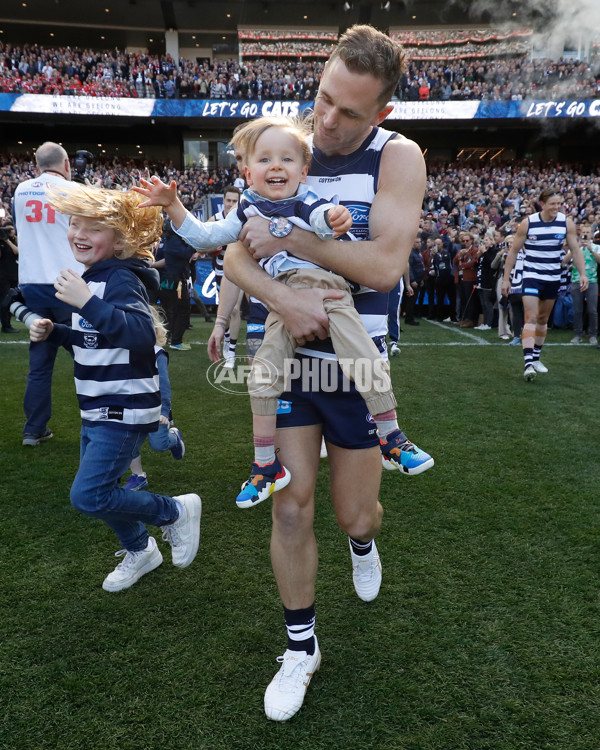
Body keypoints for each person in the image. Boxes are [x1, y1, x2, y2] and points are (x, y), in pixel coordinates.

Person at [219, 25, 428, 721]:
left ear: (383, 115)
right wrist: (282, 296)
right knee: (289, 504)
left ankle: (363, 541)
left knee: (353, 510)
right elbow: (234, 252)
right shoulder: (280, 143)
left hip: (352, 363)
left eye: (349, 112)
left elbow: (382, 267)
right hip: (280, 352)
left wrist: (293, 239)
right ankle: (301, 646)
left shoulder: (398, 157)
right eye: (323, 98)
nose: (327, 120)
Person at [136, 116, 415, 510]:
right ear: (248, 173)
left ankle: (391, 437)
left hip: (330, 295)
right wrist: (174, 205)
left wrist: (335, 220)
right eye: (265, 159)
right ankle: (266, 465)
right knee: (262, 377)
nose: (276, 166)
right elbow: (204, 236)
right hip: (283, 307)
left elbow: (327, 225)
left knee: (364, 357)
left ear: (304, 171)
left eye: (286, 158)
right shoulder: (247, 209)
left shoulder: (308, 200)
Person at [29, 183, 201, 592]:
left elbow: (142, 335)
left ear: (121, 238)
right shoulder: (96, 279)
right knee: (101, 491)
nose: (79, 233)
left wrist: (86, 302)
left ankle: (174, 511)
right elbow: (99, 339)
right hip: (96, 407)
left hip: (123, 410)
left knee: (88, 496)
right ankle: (140, 549)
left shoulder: (120, 278)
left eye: (94, 227)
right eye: (74, 224)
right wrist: (58, 332)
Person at [12, 142, 84, 446]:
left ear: (36, 163)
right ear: (66, 163)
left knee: (39, 364)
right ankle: (101, 419)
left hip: (33, 285)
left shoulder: (20, 191)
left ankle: (34, 428)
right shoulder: (74, 190)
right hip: (68, 283)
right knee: (88, 356)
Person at [501, 188, 588, 381]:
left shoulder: (566, 223)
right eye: (552, 204)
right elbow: (514, 251)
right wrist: (506, 278)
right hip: (531, 276)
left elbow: (575, 249)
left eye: (559, 204)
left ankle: (536, 357)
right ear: (542, 203)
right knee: (530, 317)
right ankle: (528, 364)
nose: (556, 207)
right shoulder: (528, 223)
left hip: (553, 277)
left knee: (542, 319)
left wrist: (582, 273)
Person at [122, 344, 186, 491]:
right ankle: (138, 476)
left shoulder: (157, 353)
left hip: (153, 407)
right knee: (128, 440)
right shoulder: (121, 349)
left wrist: (164, 411)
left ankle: (174, 439)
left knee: (159, 445)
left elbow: (163, 384)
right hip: (130, 405)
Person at [563, 223, 599, 345]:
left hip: (592, 281)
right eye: (584, 232)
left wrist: (591, 249)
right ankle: (577, 334)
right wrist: (576, 248)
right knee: (577, 310)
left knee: (592, 310)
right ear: (580, 233)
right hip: (576, 281)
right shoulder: (575, 247)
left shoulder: (596, 247)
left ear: (591, 234)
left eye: (588, 232)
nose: (585, 234)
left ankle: (592, 334)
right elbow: (564, 261)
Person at [0, 220, 19, 333]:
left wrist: (9, 239)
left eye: (11, 229)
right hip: (3, 276)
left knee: (11, 300)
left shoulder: (14, 240)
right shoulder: (2, 241)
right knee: (4, 300)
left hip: (14, 275)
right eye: (7, 229)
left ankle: (8, 324)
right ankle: (6, 325)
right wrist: (4, 239)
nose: (9, 231)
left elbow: (17, 251)